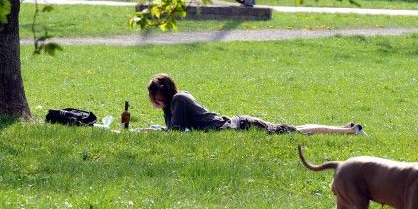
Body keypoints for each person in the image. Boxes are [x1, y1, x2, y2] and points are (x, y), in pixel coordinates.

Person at [147, 73, 367, 135]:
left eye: (157, 96)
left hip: (239, 126)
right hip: (237, 124)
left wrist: (150, 132)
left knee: (296, 131)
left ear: (165, 93)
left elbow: (176, 133)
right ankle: (348, 129)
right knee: (294, 130)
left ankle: (350, 130)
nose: (155, 101)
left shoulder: (178, 100)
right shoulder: (174, 103)